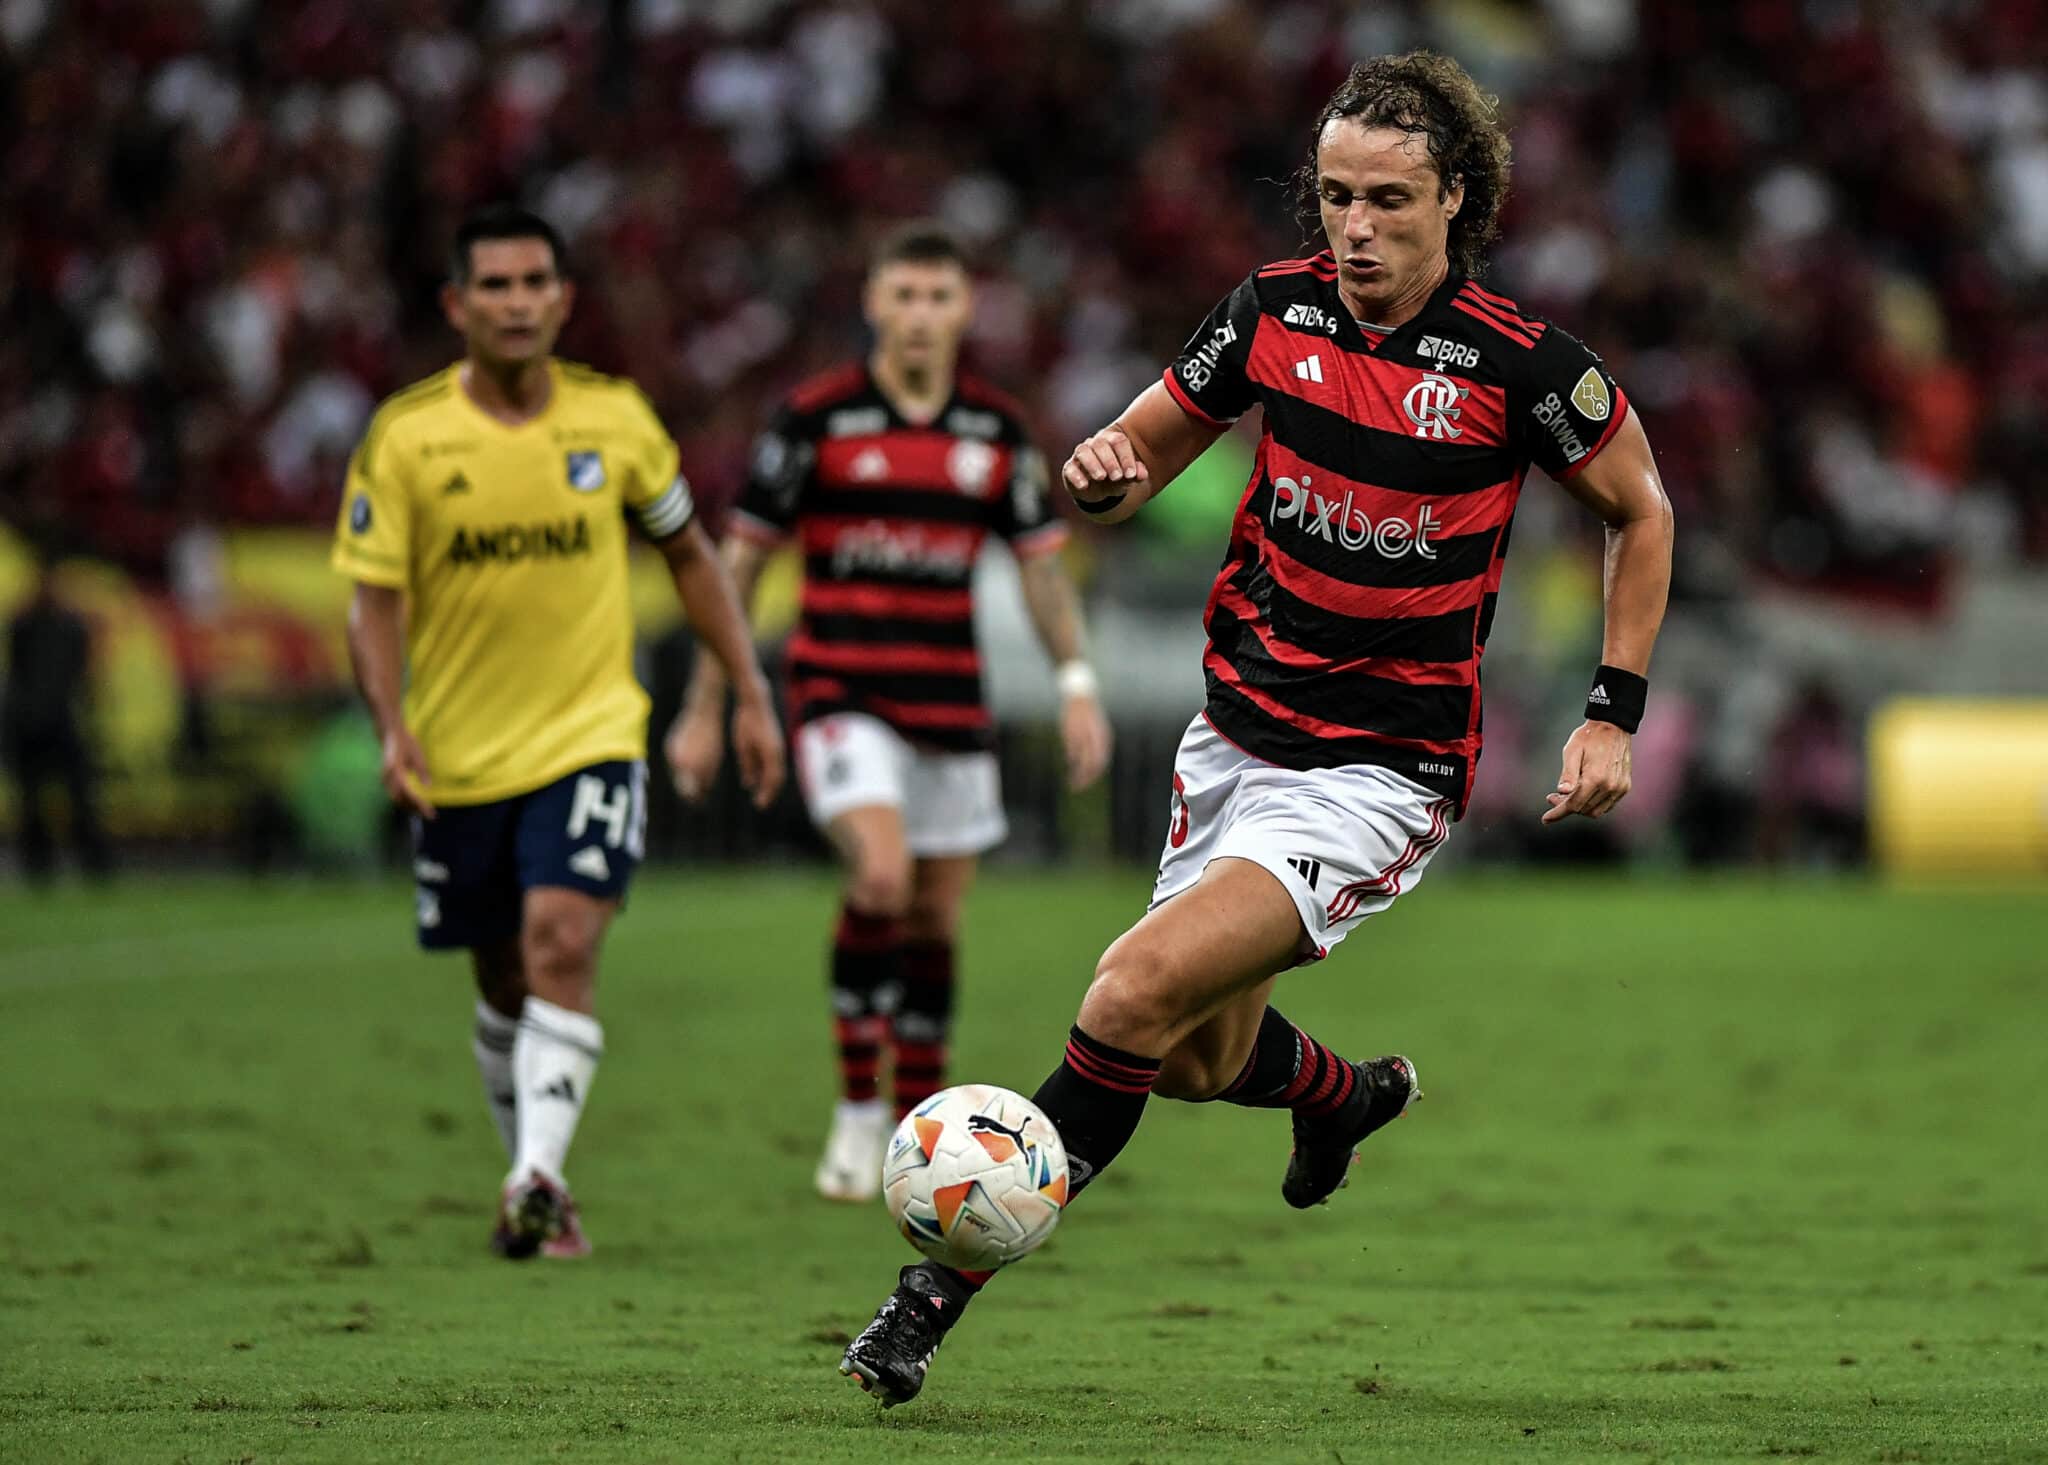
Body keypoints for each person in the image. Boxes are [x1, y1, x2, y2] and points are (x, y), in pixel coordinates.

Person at [838, 51, 1675, 1404]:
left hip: (1376, 772)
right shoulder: (1271, 313)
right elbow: (1142, 445)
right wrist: (1102, 467)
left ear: (1455, 199)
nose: (1355, 228)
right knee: (1189, 1056)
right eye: (1337, 197)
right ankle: (1345, 1098)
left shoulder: (1524, 366)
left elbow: (1643, 510)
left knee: (1126, 994)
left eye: (1389, 202)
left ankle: (932, 1292)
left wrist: (1609, 715)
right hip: (1236, 738)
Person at [331, 205, 784, 1259]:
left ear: (564, 298)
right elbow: (372, 598)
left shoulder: (614, 421)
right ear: (456, 305)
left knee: (562, 942)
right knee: (500, 978)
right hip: (456, 751)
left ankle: (534, 1175)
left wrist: (745, 690)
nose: (518, 301)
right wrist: (390, 726)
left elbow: (687, 557)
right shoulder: (406, 436)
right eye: (494, 285)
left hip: (589, 733)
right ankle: (539, 1179)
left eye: (536, 281)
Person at [668, 222, 1112, 1201]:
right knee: (877, 876)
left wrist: (1074, 682)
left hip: (949, 703)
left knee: (933, 920)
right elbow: (739, 567)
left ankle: (917, 1133)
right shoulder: (815, 419)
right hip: (839, 690)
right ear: (872, 304)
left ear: (963, 310)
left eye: (936, 297)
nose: (917, 316)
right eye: (901, 296)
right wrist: (710, 702)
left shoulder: (993, 434)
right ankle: (857, 1107)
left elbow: (1041, 572)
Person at [3, 555, 112, 883]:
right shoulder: (23, 624)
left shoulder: (70, 627)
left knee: (80, 798)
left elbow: (83, 676)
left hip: (61, 722)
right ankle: (39, 869)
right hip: (29, 725)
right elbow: (18, 674)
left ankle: (95, 867)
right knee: (32, 802)